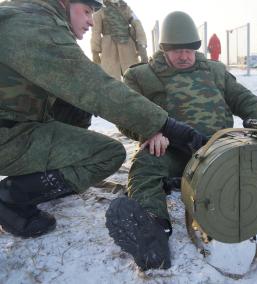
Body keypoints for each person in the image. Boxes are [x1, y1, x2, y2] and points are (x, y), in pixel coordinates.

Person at [105, 11, 257, 272]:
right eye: (176, 50)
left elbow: (246, 101)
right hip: (171, 150)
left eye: (189, 49)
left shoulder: (214, 71)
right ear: (164, 49)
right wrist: (150, 131)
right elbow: (126, 111)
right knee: (145, 163)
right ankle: (152, 232)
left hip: (220, 149)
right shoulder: (141, 76)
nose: (184, 56)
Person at [0, 0, 206, 239]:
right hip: (8, 132)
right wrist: (170, 127)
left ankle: (47, 174)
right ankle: (11, 198)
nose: (91, 20)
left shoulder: (22, 13)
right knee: (108, 154)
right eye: (86, 11)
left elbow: (82, 88)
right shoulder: (35, 25)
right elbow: (96, 88)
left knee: (76, 104)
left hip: (14, 120)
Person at [91, 0, 148, 80]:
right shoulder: (125, 8)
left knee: (112, 82)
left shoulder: (101, 9)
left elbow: (95, 33)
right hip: (123, 49)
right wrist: (142, 47)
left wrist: (95, 54)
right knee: (132, 80)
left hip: (113, 50)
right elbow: (138, 25)